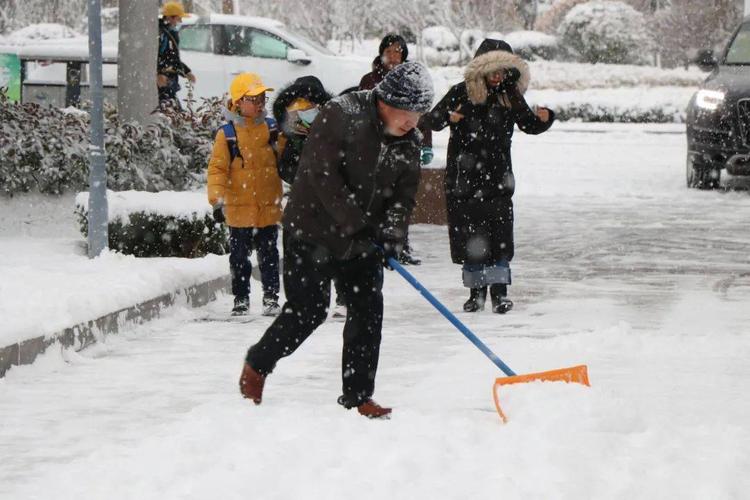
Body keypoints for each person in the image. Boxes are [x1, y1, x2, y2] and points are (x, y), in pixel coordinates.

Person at [238, 62, 435, 419]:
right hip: (312, 228)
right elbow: (321, 174)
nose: (412, 123)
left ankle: (359, 395)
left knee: (367, 310)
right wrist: (356, 222)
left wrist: (392, 233)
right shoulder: (341, 114)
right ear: (386, 102)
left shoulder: (410, 142)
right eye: (408, 114)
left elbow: (404, 196)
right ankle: (258, 362)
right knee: (309, 310)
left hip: (362, 239)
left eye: (418, 115)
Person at [422, 39, 555, 314]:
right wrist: (450, 116)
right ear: (480, 70)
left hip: (498, 180)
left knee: (499, 239)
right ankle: (476, 294)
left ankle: (500, 294)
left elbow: (528, 124)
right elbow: (432, 120)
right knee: (473, 239)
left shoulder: (510, 95)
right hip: (465, 181)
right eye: (493, 71)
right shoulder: (461, 92)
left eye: (502, 71)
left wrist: (545, 118)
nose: (497, 77)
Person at [207, 73, 283, 317]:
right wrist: (217, 200)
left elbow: (287, 160)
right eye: (254, 98)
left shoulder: (272, 128)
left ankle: (271, 297)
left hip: (268, 206)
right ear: (238, 102)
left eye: (262, 97)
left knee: (269, 255)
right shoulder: (227, 134)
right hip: (238, 208)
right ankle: (241, 298)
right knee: (239, 257)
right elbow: (217, 169)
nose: (260, 102)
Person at [359, 33, 434, 266]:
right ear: (381, 53)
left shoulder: (412, 81)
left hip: (403, 146)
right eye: (389, 51)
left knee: (401, 197)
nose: (393, 56)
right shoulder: (370, 80)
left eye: (398, 51)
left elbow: (422, 117)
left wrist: (425, 144)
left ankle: (400, 245)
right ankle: (371, 244)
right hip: (376, 148)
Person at [157, 2, 196, 108]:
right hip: (163, 83)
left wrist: (186, 71)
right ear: (170, 18)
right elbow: (157, 57)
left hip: (170, 81)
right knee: (169, 112)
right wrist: (159, 73)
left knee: (174, 111)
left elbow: (173, 58)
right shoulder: (161, 34)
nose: (180, 21)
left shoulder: (171, 33)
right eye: (179, 18)